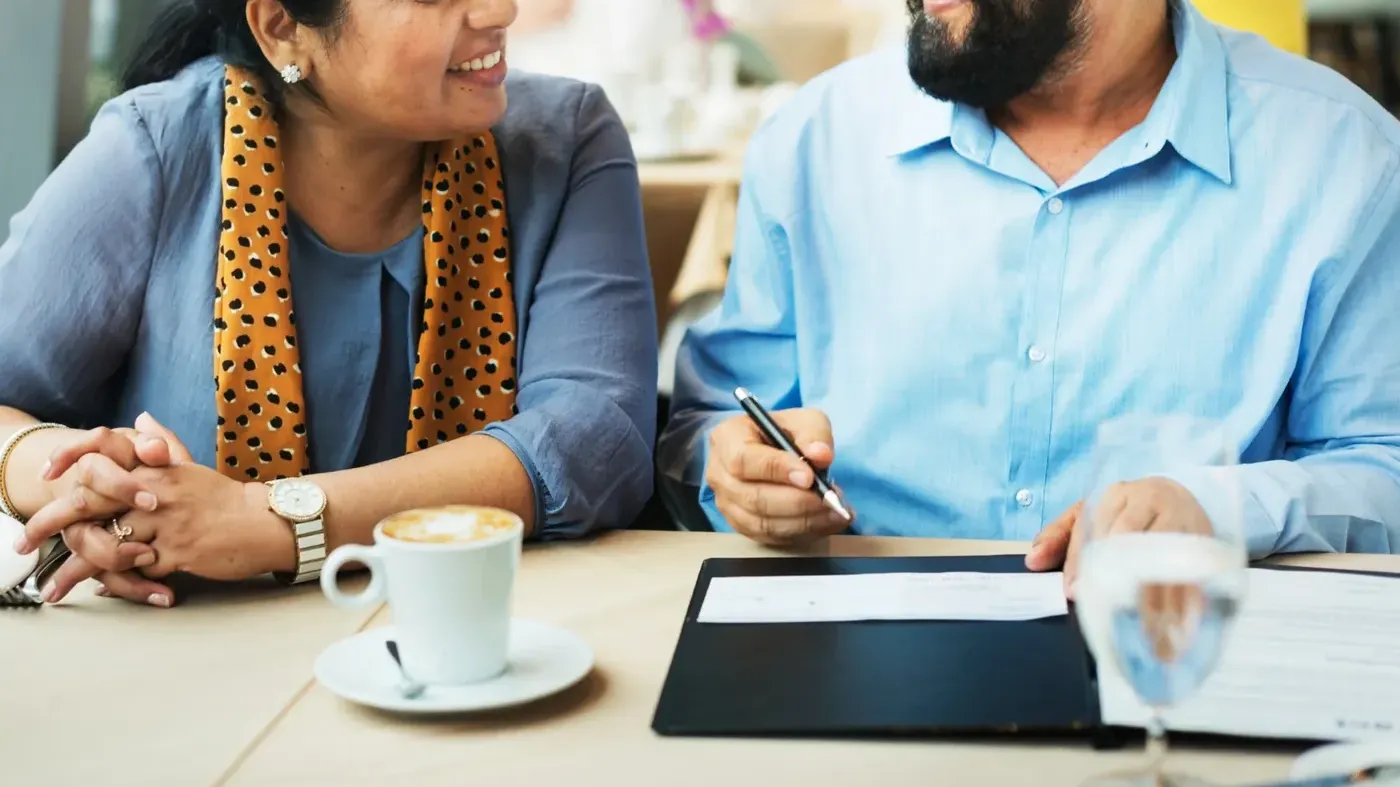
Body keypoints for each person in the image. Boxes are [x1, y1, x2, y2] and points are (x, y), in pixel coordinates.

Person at [659, 0, 1400, 584]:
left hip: (1173, 646)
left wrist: (1221, 509)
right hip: (852, 657)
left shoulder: (1343, 156)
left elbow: (1383, 462)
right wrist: (732, 475)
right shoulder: (810, 140)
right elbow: (711, 427)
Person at [0, 0, 658, 608]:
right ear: (283, 27)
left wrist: (269, 521)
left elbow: (597, 436)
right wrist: (75, 480)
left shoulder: (565, 142)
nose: (500, 9)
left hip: (484, 654)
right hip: (192, 674)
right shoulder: (156, 151)